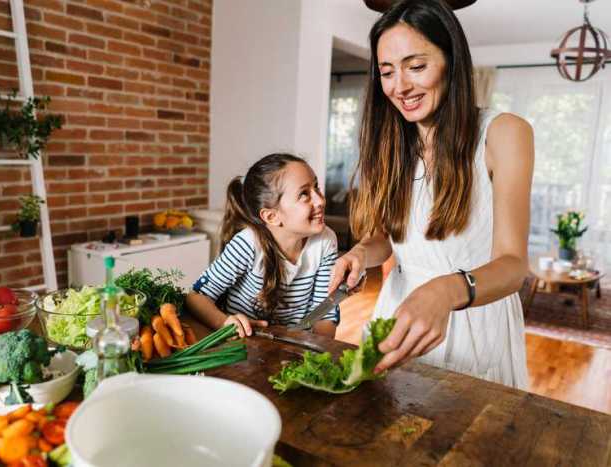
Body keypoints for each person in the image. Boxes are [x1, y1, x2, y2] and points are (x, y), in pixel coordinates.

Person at [328, 0, 534, 389]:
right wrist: (359, 254)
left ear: (451, 62)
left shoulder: (504, 133)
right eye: (387, 72)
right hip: (398, 311)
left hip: (475, 318)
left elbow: (513, 265)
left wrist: (446, 291)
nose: (400, 86)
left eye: (416, 67)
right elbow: (386, 240)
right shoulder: (389, 144)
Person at [187, 153, 340, 338]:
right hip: (245, 345)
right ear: (271, 216)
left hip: (297, 347)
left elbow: (324, 312)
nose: (320, 200)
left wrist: (318, 353)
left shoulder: (326, 241)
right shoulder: (248, 244)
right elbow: (196, 297)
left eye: (316, 187)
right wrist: (224, 322)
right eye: (304, 194)